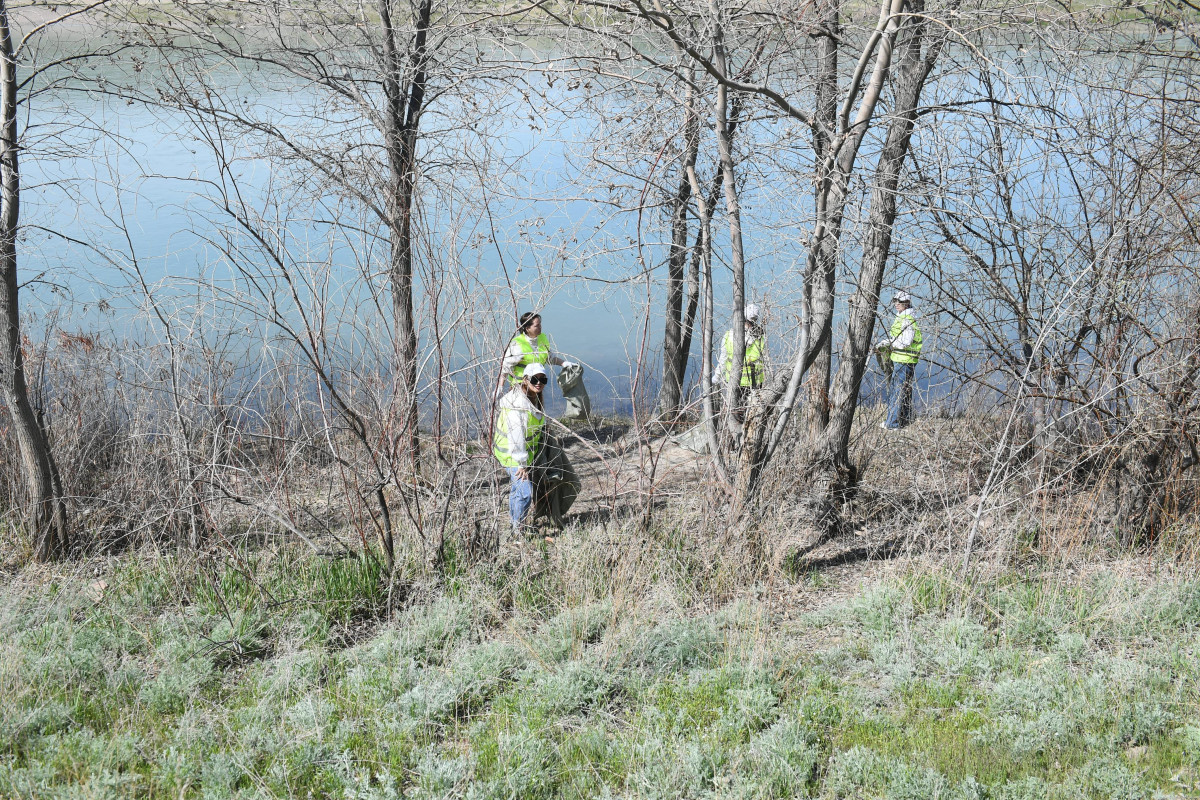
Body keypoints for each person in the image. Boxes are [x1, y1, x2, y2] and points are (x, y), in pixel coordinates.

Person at [494, 362, 550, 533]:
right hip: (512, 454)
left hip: (522, 454)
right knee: (525, 492)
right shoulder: (517, 404)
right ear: (525, 380)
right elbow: (516, 435)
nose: (539, 383)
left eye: (543, 379)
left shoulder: (534, 397)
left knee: (517, 489)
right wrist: (521, 464)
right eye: (534, 379)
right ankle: (518, 530)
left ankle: (514, 523)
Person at [498, 311, 576, 396]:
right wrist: (500, 386)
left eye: (540, 324)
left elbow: (549, 358)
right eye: (536, 326)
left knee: (535, 409)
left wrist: (564, 363)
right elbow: (506, 366)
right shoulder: (517, 344)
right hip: (521, 385)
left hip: (537, 385)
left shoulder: (542, 338)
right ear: (527, 328)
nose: (540, 327)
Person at [878, 291, 923, 430]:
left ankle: (892, 424)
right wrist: (887, 341)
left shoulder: (907, 319)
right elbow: (898, 338)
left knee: (897, 391)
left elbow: (906, 341)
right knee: (904, 390)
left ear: (907, 303)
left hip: (905, 359)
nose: (897, 304)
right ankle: (904, 419)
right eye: (895, 301)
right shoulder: (902, 316)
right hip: (901, 358)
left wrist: (890, 344)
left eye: (900, 301)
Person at [716, 303, 766, 420]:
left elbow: (723, 359)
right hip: (752, 384)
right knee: (750, 415)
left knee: (737, 414)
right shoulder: (761, 337)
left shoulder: (729, 336)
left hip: (736, 382)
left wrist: (717, 376)